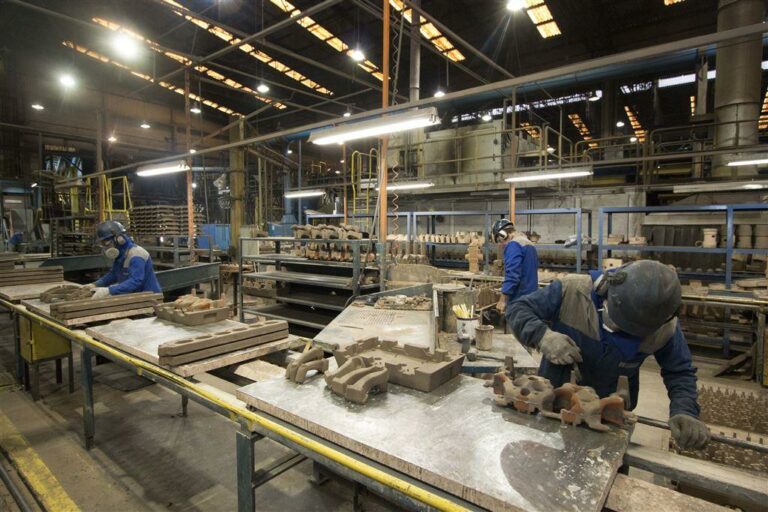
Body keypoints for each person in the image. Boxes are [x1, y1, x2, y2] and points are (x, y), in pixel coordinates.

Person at [507, 260, 710, 450]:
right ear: (606, 290)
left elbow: (680, 371)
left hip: (610, 412)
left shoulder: (664, 326)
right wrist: (543, 336)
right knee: (545, 456)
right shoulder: (572, 290)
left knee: (606, 461)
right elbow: (518, 309)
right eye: (615, 322)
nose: (616, 330)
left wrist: (685, 410)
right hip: (554, 401)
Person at [86, 220, 161, 299]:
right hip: (134, 297)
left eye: (107, 244)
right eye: (103, 245)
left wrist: (109, 290)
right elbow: (114, 274)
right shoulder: (121, 255)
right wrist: (95, 284)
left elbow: (135, 281)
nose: (106, 248)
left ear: (119, 239)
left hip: (149, 298)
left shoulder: (137, 254)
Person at [492, 219, 539, 320]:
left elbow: (513, 276)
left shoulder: (513, 245)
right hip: (532, 298)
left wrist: (502, 300)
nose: (501, 245)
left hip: (520, 300)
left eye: (500, 241)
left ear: (504, 235)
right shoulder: (529, 244)